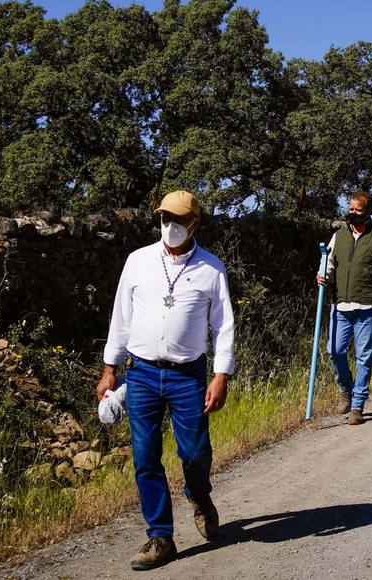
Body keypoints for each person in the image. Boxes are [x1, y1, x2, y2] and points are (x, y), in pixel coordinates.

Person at [98, 190, 234, 570]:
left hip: (187, 376)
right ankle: (160, 536)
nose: (169, 227)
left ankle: (199, 494)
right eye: (163, 219)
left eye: (177, 220)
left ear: (194, 223)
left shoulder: (211, 269)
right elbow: (120, 317)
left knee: (194, 453)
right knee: (145, 457)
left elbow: (223, 327)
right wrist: (110, 367)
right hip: (140, 373)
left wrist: (221, 375)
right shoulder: (138, 262)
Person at [316, 191, 372, 426]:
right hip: (340, 303)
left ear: (368, 212)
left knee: (364, 356)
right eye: (350, 209)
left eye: (358, 210)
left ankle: (357, 405)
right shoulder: (338, 236)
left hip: (368, 304)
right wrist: (322, 275)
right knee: (335, 350)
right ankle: (346, 388)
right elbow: (328, 262)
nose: (353, 213)